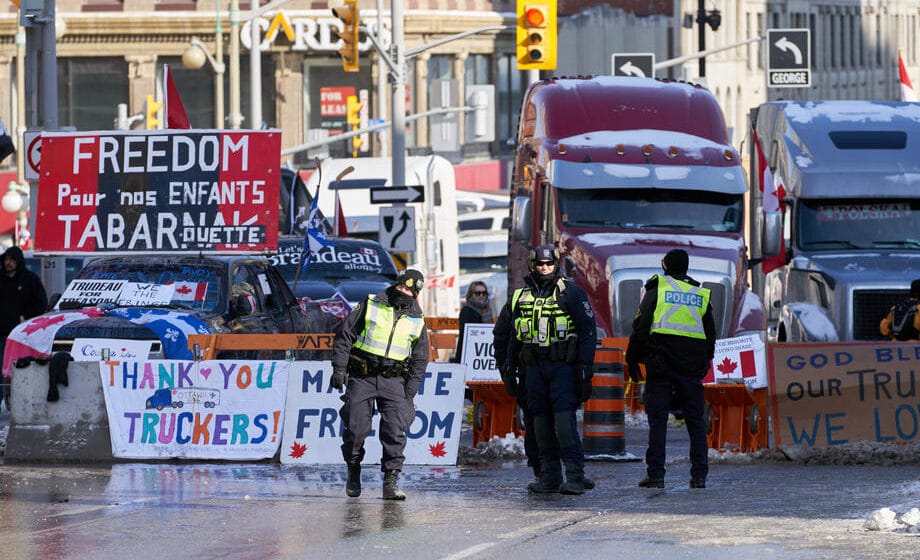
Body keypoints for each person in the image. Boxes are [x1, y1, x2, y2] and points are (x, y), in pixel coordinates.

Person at [504, 244, 597, 495]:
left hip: (563, 367)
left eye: (549, 263)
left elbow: (588, 331)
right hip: (533, 367)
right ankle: (550, 476)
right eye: (540, 264)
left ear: (556, 264)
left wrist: (585, 368)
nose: (544, 268)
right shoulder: (521, 296)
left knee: (564, 423)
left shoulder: (572, 292)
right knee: (540, 424)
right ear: (532, 265)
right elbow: (513, 334)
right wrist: (508, 366)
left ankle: (575, 476)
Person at [330, 269, 429, 500]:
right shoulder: (371, 304)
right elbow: (345, 336)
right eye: (400, 286)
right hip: (362, 376)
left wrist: (409, 392)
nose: (402, 292)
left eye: (408, 290)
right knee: (356, 427)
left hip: (394, 380)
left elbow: (421, 358)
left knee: (395, 429)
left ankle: (390, 481)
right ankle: (353, 467)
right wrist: (339, 368)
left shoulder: (417, 319)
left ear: (415, 295)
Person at [625, 248, 716, 490]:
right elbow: (710, 335)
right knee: (695, 422)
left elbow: (641, 327)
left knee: (658, 422)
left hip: (661, 366)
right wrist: (705, 362)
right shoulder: (700, 293)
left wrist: (632, 359)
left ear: (665, 266)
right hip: (691, 368)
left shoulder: (658, 289)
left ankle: (656, 475)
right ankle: (699, 475)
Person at [0, 246, 48, 409]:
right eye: (6, 259)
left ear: (18, 261)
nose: (8, 263)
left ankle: (21, 404)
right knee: (2, 370)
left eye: (12, 260)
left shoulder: (30, 280)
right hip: (2, 335)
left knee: (20, 369)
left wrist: (26, 317)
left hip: (22, 337)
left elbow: (42, 303)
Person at [453, 281, 493, 363]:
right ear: (471, 294)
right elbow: (465, 333)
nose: (481, 295)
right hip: (468, 353)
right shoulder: (466, 310)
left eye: (484, 293)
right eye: (478, 293)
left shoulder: (488, 309)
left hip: (484, 353)